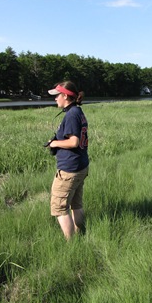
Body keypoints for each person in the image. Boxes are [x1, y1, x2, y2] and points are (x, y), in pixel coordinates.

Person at [46, 81, 89, 240]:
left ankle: (71, 244)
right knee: (76, 205)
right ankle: (81, 234)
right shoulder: (77, 111)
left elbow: (73, 142)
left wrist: (54, 143)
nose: (55, 99)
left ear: (65, 96)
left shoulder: (71, 115)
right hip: (80, 166)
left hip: (69, 169)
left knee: (59, 208)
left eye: (57, 95)